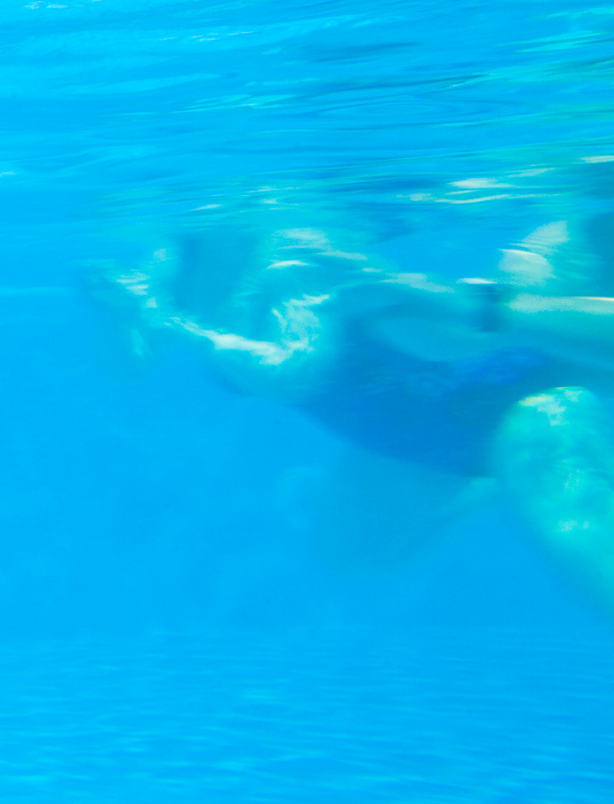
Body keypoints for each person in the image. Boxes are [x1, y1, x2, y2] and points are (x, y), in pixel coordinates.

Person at [89, 223, 614, 614]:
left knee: (573, 516)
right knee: (349, 553)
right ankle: (490, 487)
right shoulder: (175, 257)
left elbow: (291, 373)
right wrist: (117, 312)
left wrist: (185, 331)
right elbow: (128, 364)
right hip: (412, 433)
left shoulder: (295, 253)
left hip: (521, 398)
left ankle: (524, 459)